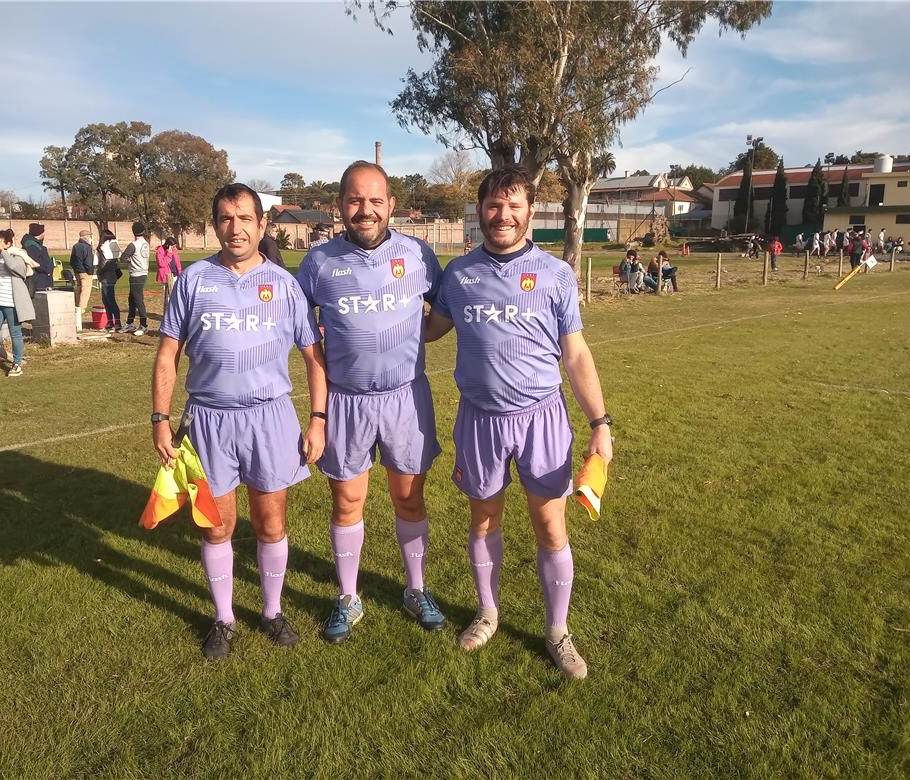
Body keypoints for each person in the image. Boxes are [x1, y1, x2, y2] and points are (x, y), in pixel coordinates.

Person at [423, 166, 614, 680]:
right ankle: (487, 612)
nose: (502, 215)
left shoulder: (556, 275)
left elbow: (574, 355)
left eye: (513, 206)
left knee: (550, 524)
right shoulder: (459, 276)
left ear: (531, 211)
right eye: (492, 205)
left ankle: (557, 631)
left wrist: (601, 422)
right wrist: (363, 319)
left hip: (542, 419)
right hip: (480, 420)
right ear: (480, 210)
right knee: (483, 520)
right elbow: (429, 330)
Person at [152, 183, 327, 661]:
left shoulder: (286, 285)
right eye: (226, 219)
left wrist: (316, 420)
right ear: (215, 226)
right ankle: (224, 619)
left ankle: (272, 612)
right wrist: (160, 420)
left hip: (270, 418)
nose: (236, 228)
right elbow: (168, 354)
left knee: (271, 524)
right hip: (208, 420)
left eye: (245, 218)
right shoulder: (192, 281)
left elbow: (314, 359)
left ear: (262, 225)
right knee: (217, 526)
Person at [295, 161, 447, 643]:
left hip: (405, 398)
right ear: (340, 205)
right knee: (347, 500)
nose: (366, 210)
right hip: (346, 401)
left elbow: (445, 309)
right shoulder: (318, 263)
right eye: (355, 200)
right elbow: (302, 335)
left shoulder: (419, 254)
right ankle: (348, 596)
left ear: (391, 205)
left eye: (375, 201)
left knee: (409, 497)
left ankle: (416, 589)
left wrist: (414, 338)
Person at [0, 229, 36, 378]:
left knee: (15, 333)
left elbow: (18, 270)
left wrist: (4, 252)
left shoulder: (18, 256)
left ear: (8, 243)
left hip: (12, 302)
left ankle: (17, 364)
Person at [121, 221, 151, 335]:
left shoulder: (133, 245)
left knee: (138, 300)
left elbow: (123, 257)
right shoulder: (146, 244)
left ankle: (143, 325)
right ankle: (130, 322)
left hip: (136, 274)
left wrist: (130, 260)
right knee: (132, 299)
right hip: (144, 272)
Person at [96, 229, 123, 332]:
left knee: (108, 300)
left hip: (106, 276)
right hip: (112, 276)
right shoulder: (113, 247)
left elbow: (102, 265)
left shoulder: (102, 249)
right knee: (108, 299)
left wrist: (98, 273)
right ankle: (112, 322)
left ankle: (115, 322)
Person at [69, 229, 96, 328]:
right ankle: (81, 310)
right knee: (85, 292)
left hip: (77, 271)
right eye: (89, 236)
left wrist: (76, 269)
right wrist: (90, 272)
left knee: (79, 290)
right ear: (86, 237)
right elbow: (88, 262)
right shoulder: (87, 247)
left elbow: (72, 260)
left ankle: (76, 307)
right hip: (85, 272)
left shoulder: (76, 246)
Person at [21, 223, 54, 292]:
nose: (44, 234)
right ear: (40, 233)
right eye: (43, 232)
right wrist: (46, 270)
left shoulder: (35, 244)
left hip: (42, 277)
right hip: (39, 279)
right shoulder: (31, 245)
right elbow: (34, 262)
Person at [155, 235, 182, 313]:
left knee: (176, 295)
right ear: (168, 245)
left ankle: (175, 312)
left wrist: (180, 272)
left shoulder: (174, 250)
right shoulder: (160, 251)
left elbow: (177, 262)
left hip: (175, 274)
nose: (174, 248)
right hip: (166, 276)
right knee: (167, 296)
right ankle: (168, 312)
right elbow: (162, 264)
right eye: (173, 246)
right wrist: (169, 254)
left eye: (175, 246)